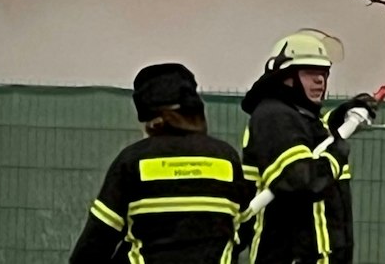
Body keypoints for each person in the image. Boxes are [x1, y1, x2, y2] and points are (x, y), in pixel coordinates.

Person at [68, 62, 252, 264]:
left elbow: (97, 241)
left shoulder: (132, 161)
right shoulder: (226, 158)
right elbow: (244, 227)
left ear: (151, 120)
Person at [240, 31, 377, 264]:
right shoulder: (274, 116)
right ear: (286, 77)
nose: (320, 80)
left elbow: (313, 138)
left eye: (323, 73)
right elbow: (301, 180)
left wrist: (345, 113)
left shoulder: (299, 118)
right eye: (310, 72)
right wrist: (337, 153)